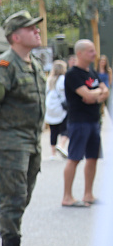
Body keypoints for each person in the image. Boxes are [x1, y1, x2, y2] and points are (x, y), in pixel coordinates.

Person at [0, 10, 46, 246]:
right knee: (14, 198)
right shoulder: (4, 65)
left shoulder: (33, 64)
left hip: (31, 141)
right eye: (31, 29)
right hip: (10, 142)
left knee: (23, 196)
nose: (37, 31)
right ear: (15, 36)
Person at [61, 39, 109, 208]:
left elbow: (105, 91)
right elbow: (87, 95)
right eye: (90, 51)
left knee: (93, 158)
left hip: (94, 121)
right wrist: (96, 93)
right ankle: (67, 196)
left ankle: (88, 194)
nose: (94, 54)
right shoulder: (73, 74)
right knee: (74, 158)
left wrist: (95, 94)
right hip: (79, 122)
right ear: (79, 53)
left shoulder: (92, 72)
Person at [45, 61, 68, 160]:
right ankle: (61, 145)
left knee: (53, 130)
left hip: (50, 107)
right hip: (60, 106)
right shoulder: (63, 79)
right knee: (65, 128)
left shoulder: (49, 79)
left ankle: (53, 153)